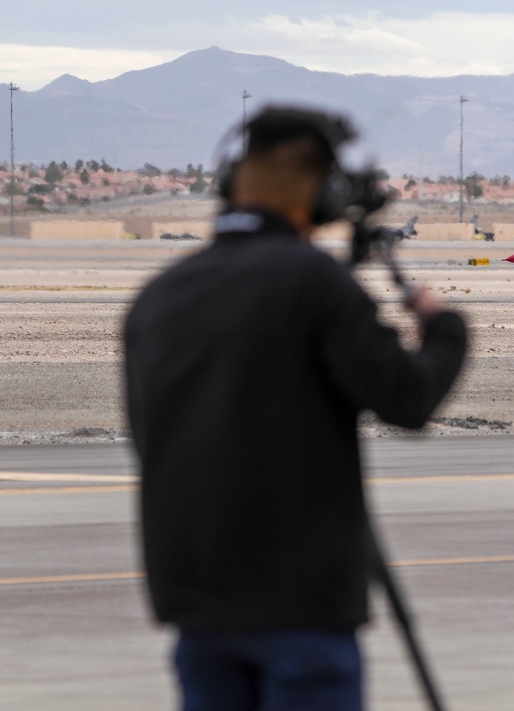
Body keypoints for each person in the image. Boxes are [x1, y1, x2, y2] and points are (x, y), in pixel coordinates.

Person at [123, 106, 468, 711]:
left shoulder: (157, 298)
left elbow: (148, 438)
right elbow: (408, 399)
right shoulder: (313, 283)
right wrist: (445, 329)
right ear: (326, 194)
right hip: (299, 601)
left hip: (196, 603)